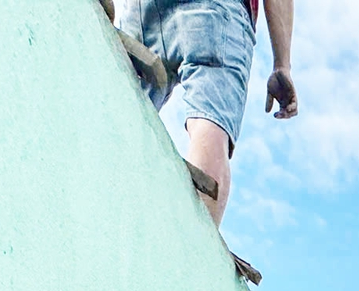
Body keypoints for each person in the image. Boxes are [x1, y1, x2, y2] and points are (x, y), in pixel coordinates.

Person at [118, 0, 297, 227]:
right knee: (210, 126)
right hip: (216, 12)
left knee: (117, 105)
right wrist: (282, 64)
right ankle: (187, 251)